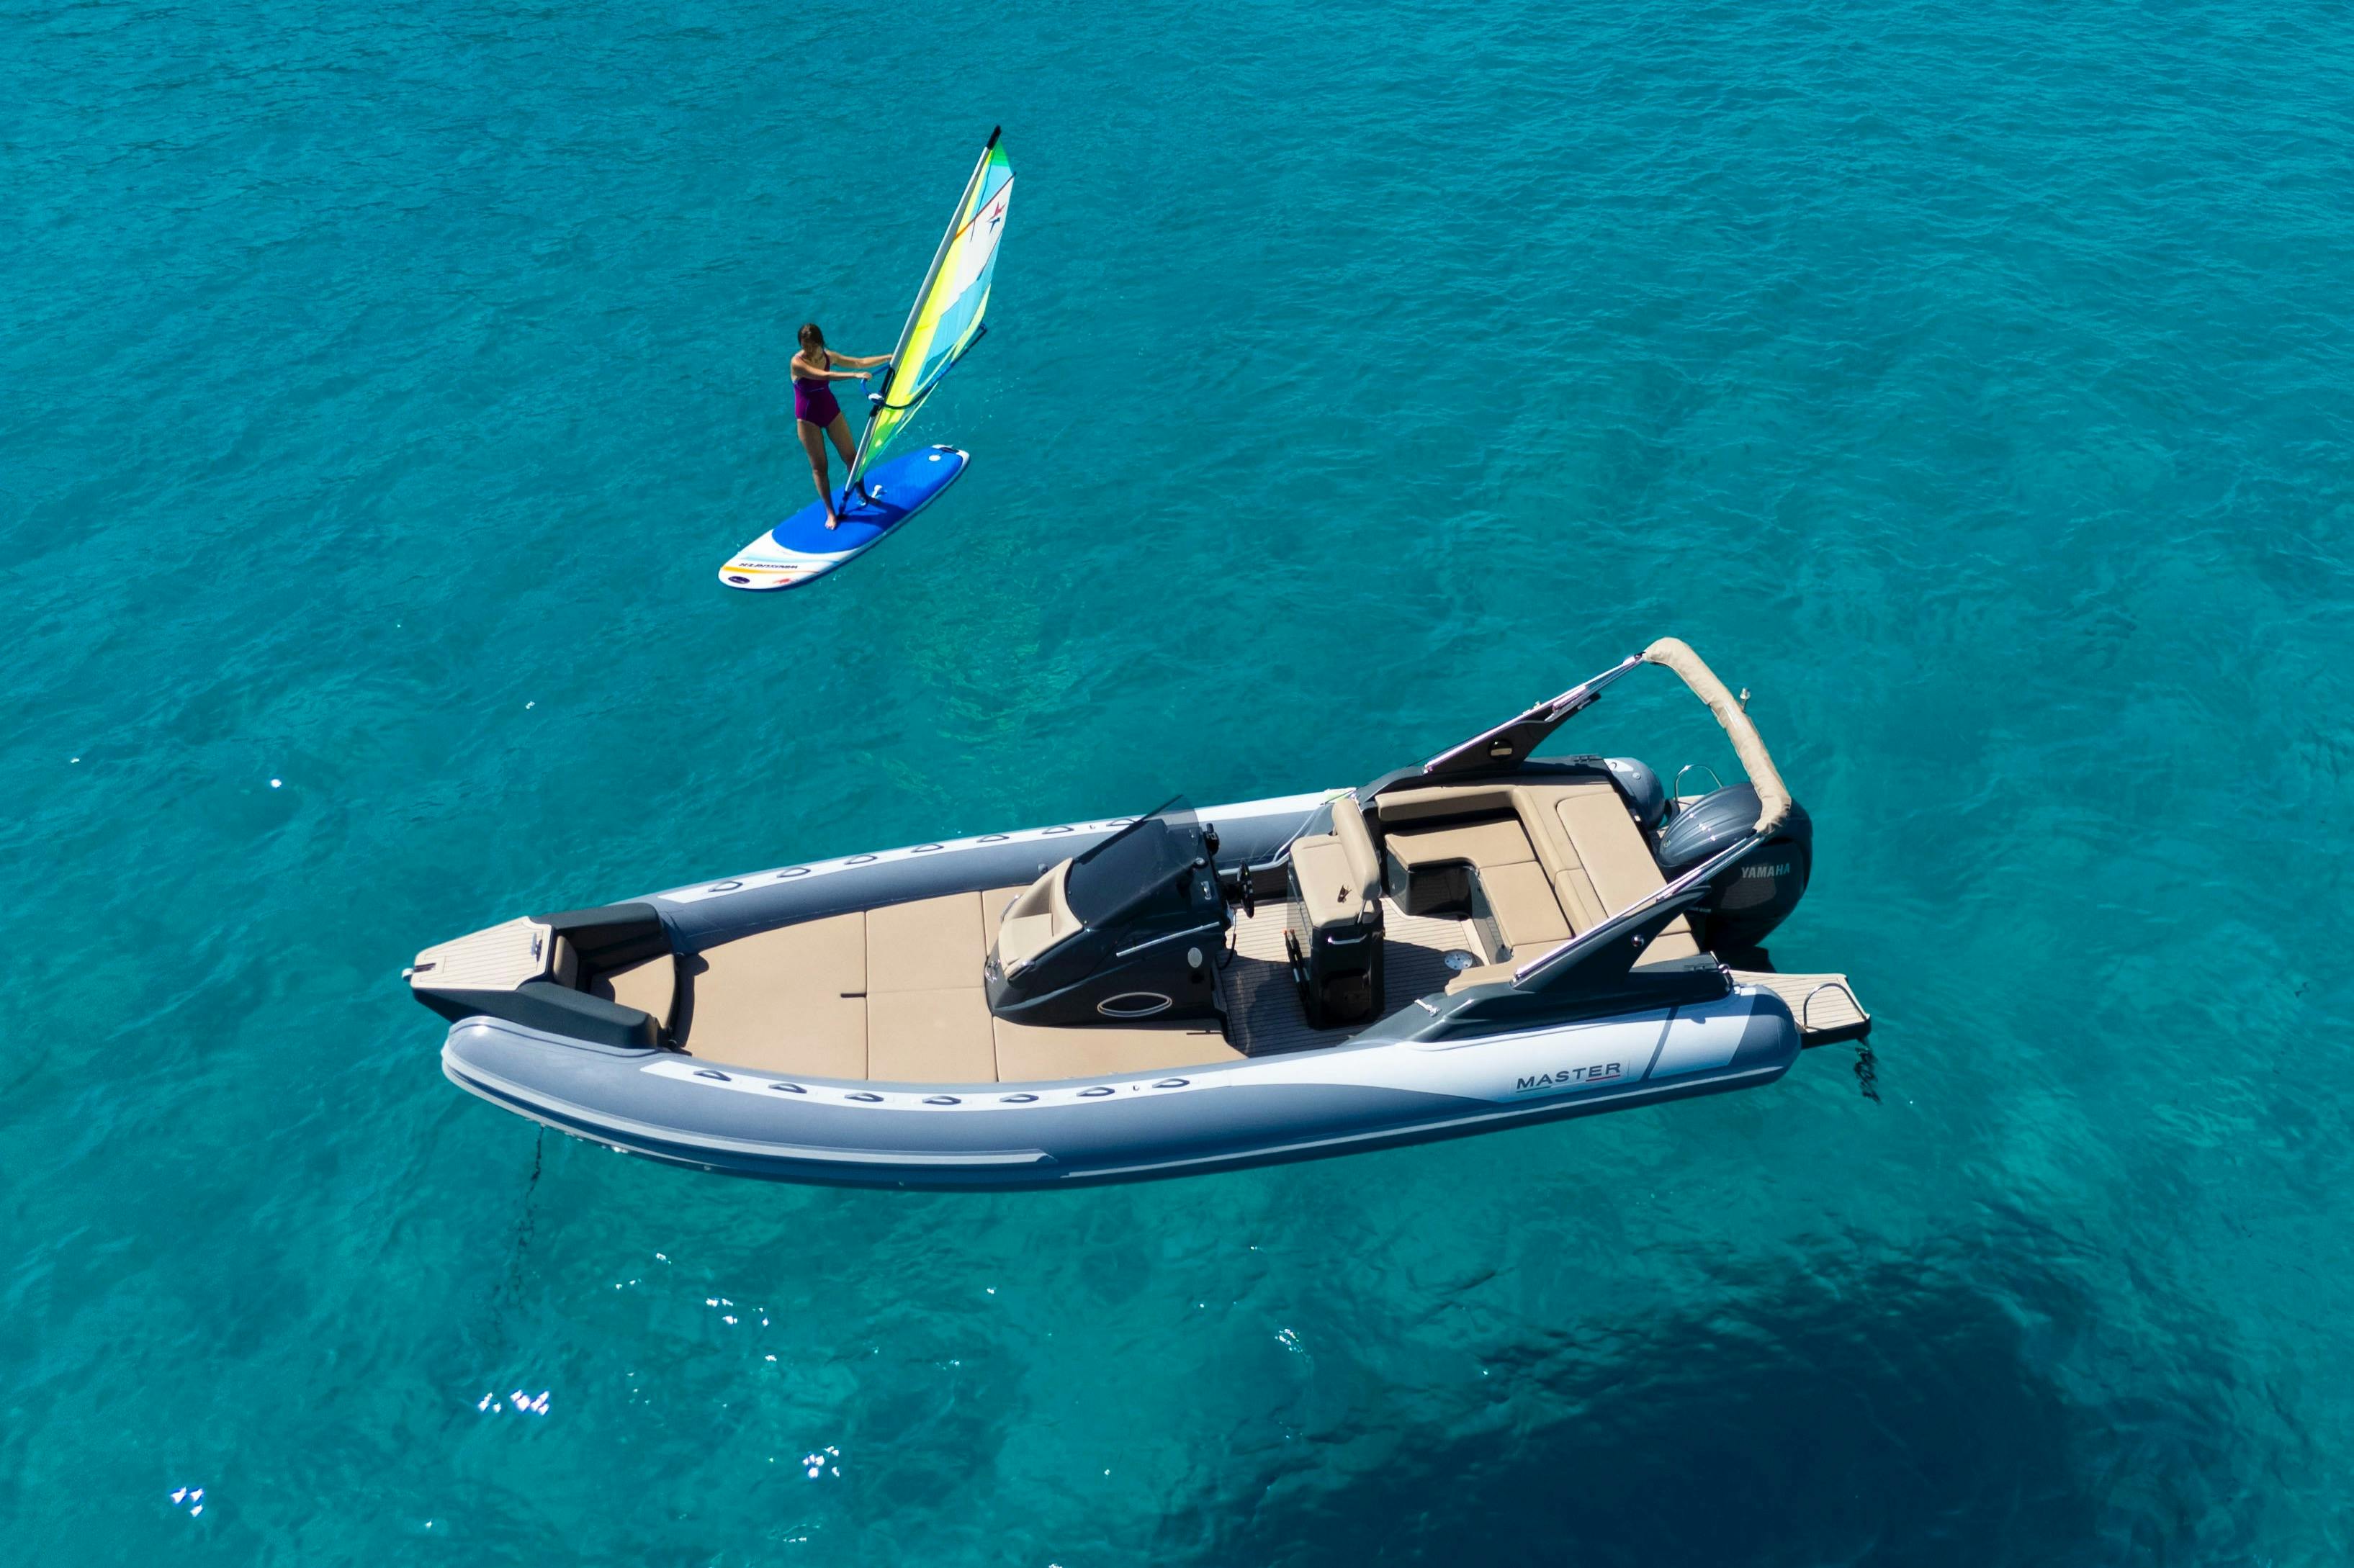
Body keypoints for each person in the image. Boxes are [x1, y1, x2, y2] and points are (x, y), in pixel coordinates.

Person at [791, 323, 890, 528]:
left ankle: (863, 495)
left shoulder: (829, 357)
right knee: (820, 467)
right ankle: (830, 512)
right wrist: (854, 376)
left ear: (820, 342)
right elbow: (824, 376)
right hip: (807, 419)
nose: (807, 350)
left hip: (830, 411)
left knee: (852, 457)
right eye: (804, 346)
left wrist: (888, 357)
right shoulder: (797, 363)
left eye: (811, 346)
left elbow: (859, 362)